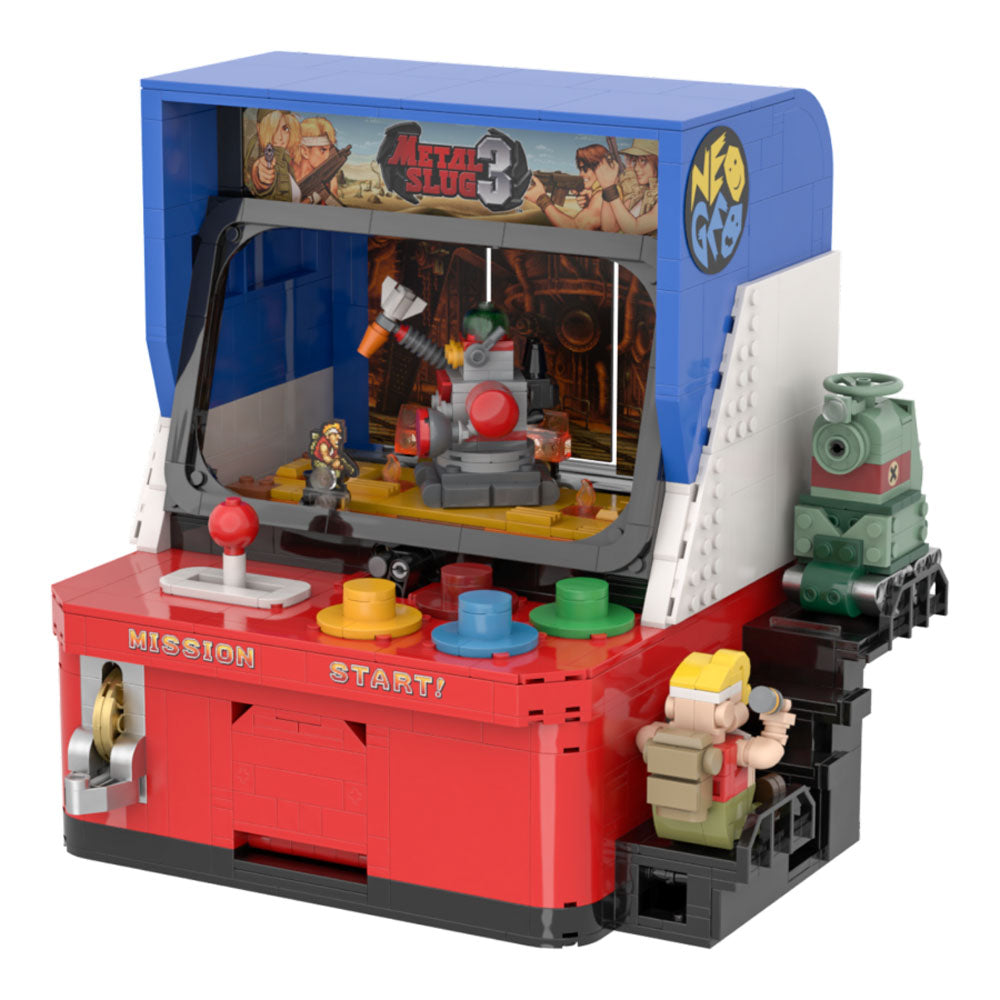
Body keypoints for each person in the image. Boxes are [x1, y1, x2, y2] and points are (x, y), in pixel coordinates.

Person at [635, 649, 795, 849]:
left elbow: (642, 737)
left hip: (668, 824)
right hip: (725, 824)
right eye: (738, 703)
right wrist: (776, 720)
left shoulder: (658, 739)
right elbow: (769, 753)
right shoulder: (735, 748)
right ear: (725, 714)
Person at [523, 143, 617, 229]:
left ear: (601, 167)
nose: (581, 174)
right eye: (580, 169)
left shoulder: (602, 196)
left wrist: (541, 199)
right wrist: (589, 204)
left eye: (585, 169)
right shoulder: (603, 192)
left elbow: (576, 227)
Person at [593, 138, 658, 235]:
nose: (636, 168)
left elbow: (634, 229)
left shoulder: (667, 197)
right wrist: (609, 187)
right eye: (635, 161)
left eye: (643, 160)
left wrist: (610, 189)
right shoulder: (640, 193)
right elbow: (609, 228)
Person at [244, 109, 301, 201]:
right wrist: (258, 174)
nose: (279, 137)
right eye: (272, 128)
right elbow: (259, 173)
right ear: (259, 129)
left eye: (285, 128)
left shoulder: (286, 163)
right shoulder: (262, 162)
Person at [293, 116, 342, 205]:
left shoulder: (329, 181)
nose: (327, 156)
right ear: (305, 151)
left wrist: (332, 190)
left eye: (329, 150)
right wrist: (312, 198)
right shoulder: (285, 177)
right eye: (322, 150)